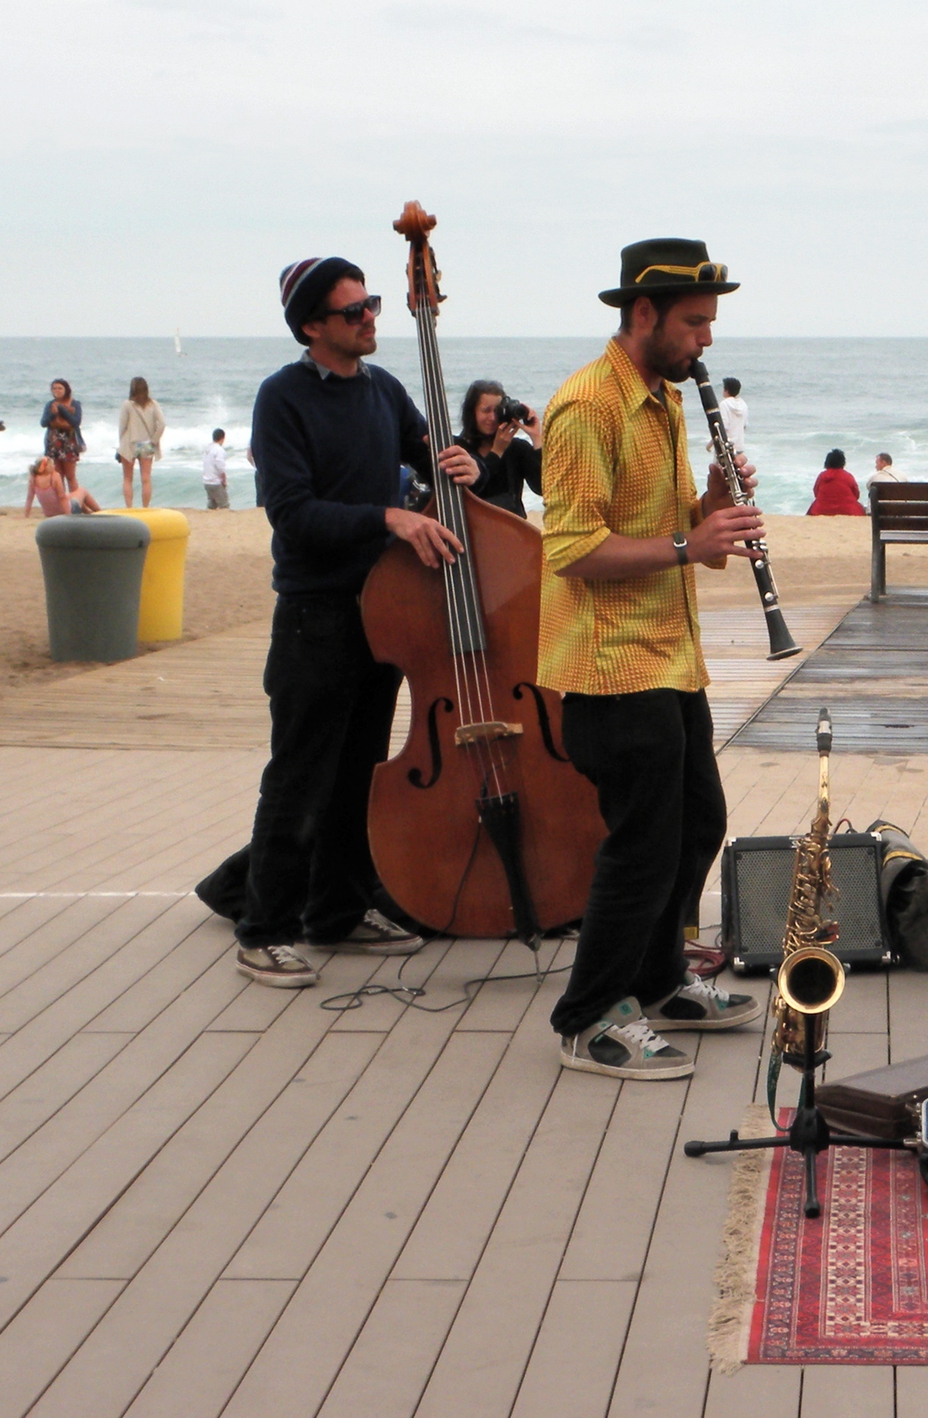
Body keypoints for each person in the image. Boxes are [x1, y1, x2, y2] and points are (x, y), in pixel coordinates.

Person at [538, 238, 766, 1081]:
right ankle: (588, 1016)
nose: (706, 341)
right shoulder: (588, 407)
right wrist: (688, 539)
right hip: (607, 665)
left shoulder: (662, 400)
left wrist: (710, 510)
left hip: (669, 658)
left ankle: (660, 981)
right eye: (695, 323)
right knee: (642, 845)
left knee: (697, 824)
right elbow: (572, 549)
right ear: (644, 314)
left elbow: (682, 542)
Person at [231, 256, 482, 989]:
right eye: (354, 311)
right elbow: (293, 512)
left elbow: (431, 455)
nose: (372, 317)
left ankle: (335, 913)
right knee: (298, 780)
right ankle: (263, 930)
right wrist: (390, 516)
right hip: (316, 615)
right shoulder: (283, 398)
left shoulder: (383, 389)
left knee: (358, 776)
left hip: (383, 614)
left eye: (371, 304)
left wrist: (459, 464)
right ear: (312, 327)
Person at [453, 380, 543, 517]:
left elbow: (543, 487)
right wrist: (497, 451)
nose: (493, 417)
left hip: (512, 528)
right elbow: (476, 491)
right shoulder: (458, 448)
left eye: (497, 411)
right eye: (486, 410)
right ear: (472, 413)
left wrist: (537, 438)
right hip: (473, 528)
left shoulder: (516, 448)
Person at [117, 376, 166, 508]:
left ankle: (129, 507)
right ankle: (145, 507)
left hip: (129, 443)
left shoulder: (127, 404)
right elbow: (162, 424)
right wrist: (154, 440)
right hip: (147, 444)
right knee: (146, 479)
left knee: (127, 478)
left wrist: (120, 444)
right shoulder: (153, 404)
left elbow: (122, 426)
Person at [40, 380, 84, 493]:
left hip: (69, 442)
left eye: (60, 388)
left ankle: (74, 502)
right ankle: (62, 503)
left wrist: (61, 409)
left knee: (70, 475)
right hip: (53, 443)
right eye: (54, 388)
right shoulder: (50, 405)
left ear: (66, 390)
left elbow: (76, 422)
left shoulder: (75, 404)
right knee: (58, 476)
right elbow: (43, 423)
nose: (57, 391)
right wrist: (53, 413)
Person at [24, 456, 100, 517]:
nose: (54, 466)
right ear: (46, 467)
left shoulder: (33, 478)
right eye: (52, 464)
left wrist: (26, 515)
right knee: (83, 491)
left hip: (49, 514)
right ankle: (100, 512)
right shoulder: (54, 476)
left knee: (71, 496)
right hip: (64, 512)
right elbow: (62, 498)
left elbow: (29, 498)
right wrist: (68, 516)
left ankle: (88, 513)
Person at [808, 448, 866, 515]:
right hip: (848, 510)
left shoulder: (822, 476)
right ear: (843, 462)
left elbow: (816, 493)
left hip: (821, 510)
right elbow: (856, 494)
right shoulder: (847, 476)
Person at [202, 428, 230, 510]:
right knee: (224, 505)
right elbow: (220, 466)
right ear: (222, 438)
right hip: (215, 482)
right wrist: (224, 480)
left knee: (212, 506)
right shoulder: (219, 450)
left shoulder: (207, 449)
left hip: (206, 481)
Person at [720, 375, 748, 451]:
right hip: (739, 445)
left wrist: (710, 444)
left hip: (727, 447)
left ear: (726, 390)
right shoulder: (743, 404)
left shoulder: (724, 404)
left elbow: (723, 427)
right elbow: (744, 426)